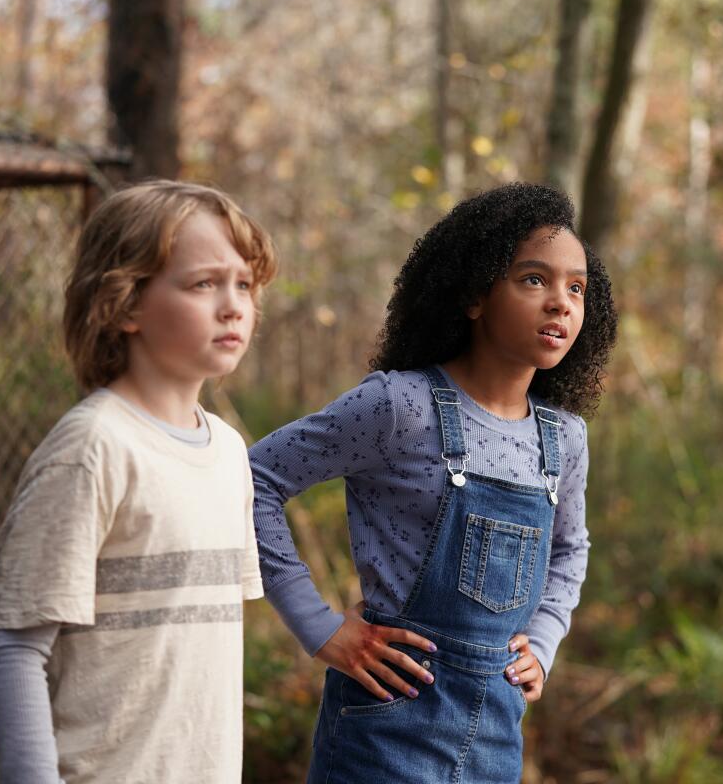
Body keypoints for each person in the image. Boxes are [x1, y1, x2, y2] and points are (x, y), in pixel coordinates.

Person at [250, 182, 617, 782]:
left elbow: (571, 548)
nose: (561, 302)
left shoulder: (565, 438)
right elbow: (256, 478)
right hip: (384, 733)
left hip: (497, 739)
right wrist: (318, 628)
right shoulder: (402, 406)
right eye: (534, 279)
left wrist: (544, 643)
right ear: (473, 294)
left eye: (576, 287)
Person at [0, 180, 277, 783]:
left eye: (243, 284)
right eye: (203, 283)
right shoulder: (93, 448)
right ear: (126, 303)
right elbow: (15, 651)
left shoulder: (226, 451)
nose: (233, 305)